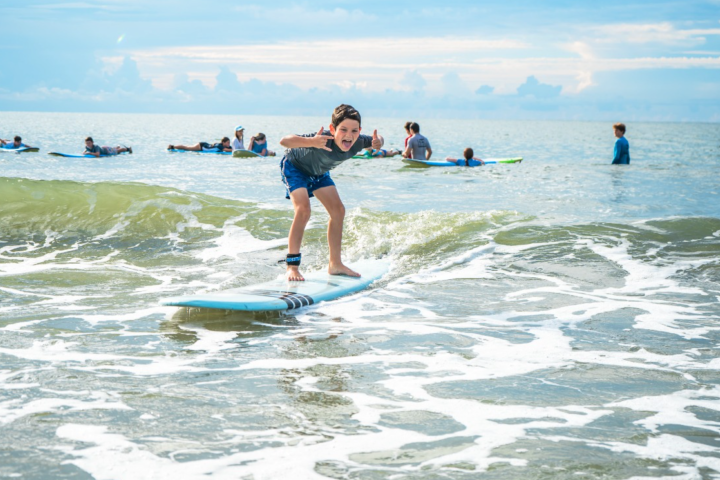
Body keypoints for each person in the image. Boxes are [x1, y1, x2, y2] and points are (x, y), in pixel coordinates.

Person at [278, 104, 383, 282]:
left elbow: (377, 138)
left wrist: (379, 141)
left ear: (359, 131)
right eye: (343, 130)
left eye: (354, 130)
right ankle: (292, 267)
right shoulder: (322, 138)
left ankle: (335, 264)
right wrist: (311, 142)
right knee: (303, 210)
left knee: (338, 211)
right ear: (332, 129)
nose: (349, 135)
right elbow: (284, 141)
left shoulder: (358, 141)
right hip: (295, 168)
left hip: (319, 173)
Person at [167, 137, 232, 153]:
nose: (229, 144)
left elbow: (231, 148)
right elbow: (226, 150)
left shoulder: (226, 146)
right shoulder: (220, 145)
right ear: (223, 142)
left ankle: (173, 146)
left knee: (188, 147)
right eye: (227, 142)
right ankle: (172, 146)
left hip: (204, 144)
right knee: (187, 148)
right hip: (201, 146)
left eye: (229, 142)